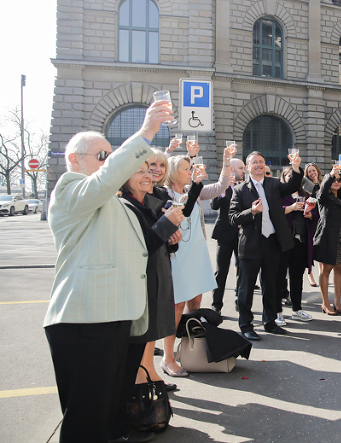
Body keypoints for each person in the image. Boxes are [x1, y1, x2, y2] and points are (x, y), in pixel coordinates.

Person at [43, 101, 172, 443]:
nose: (108, 163)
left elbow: (141, 246)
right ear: (75, 160)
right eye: (102, 156)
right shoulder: (70, 189)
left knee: (106, 417)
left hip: (116, 318)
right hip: (84, 320)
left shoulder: (112, 200)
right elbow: (103, 183)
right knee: (86, 421)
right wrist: (145, 133)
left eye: (110, 155)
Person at [115, 162, 184, 438]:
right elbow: (141, 244)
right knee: (136, 345)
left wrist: (172, 236)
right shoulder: (125, 206)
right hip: (138, 284)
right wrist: (168, 225)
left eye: (150, 170)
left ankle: (140, 394)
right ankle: (132, 410)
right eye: (140, 171)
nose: (148, 175)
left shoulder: (148, 203)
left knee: (147, 335)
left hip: (156, 276)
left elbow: (162, 241)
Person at [161, 150, 232, 377]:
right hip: (177, 254)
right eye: (185, 169)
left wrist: (226, 162)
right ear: (173, 173)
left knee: (196, 301)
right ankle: (168, 357)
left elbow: (221, 186)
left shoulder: (196, 189)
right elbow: (183, 207)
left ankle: (191, 349)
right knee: (176, 306)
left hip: (196, 252)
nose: (190, 172)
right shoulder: (162, 193)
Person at [229, 151, 303, 340]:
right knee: (246, 288)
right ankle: (246, 325)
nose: (259, 165)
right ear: (248, 167)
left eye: (261, 162)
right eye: (254, 162)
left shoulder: (274, 184)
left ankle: (269, 322)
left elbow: (294, 185)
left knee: (271, 286)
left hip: (273, 242)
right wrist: (251, 211)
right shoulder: (240, 189)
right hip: (251, 244)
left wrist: (295, 167)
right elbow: (232, 217)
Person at [313, 165, 341, 315]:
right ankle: (325, 303)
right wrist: (331, 174)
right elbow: (321, 192)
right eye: (333, 180)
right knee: (326, 269)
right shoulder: (323, 197)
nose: (337, 181)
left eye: (339, 180)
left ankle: (337, 302)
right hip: (327, 238)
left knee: (339, 269)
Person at [277, 166, 318, 321]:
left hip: (300, 241)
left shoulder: (306, 194)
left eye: (293, 176)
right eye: (287, 175)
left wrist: (309, 215)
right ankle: (277, 312)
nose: (290, 178)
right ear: (283, 177)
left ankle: (297, 309)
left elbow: (315, 213)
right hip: (283, 241)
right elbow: (273, 212)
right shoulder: (279, 194)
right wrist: (290, 208)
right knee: (279, 276)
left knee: (297, 276)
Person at [210, 157, 246, 315]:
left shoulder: (246, 186)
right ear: (231, 170)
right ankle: (216, 305)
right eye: (241, 168)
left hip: (242, 234)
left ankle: (240, 300)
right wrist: (224, 189)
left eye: (244, 168)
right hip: (224, 234)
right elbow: (214, 205)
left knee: (242, 269)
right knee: (221, 271)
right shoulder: (222, 185)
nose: (243, 171)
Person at [303, 162, 323, 287]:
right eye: (309, 171)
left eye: (313, 170)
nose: (312, 173)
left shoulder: (323, 184)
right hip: (311, 219)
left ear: (317, 171)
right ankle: (310, 275)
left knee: (321, 249)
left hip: (323, 220)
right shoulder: (306, 187)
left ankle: (322, 273)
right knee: (309, 249)